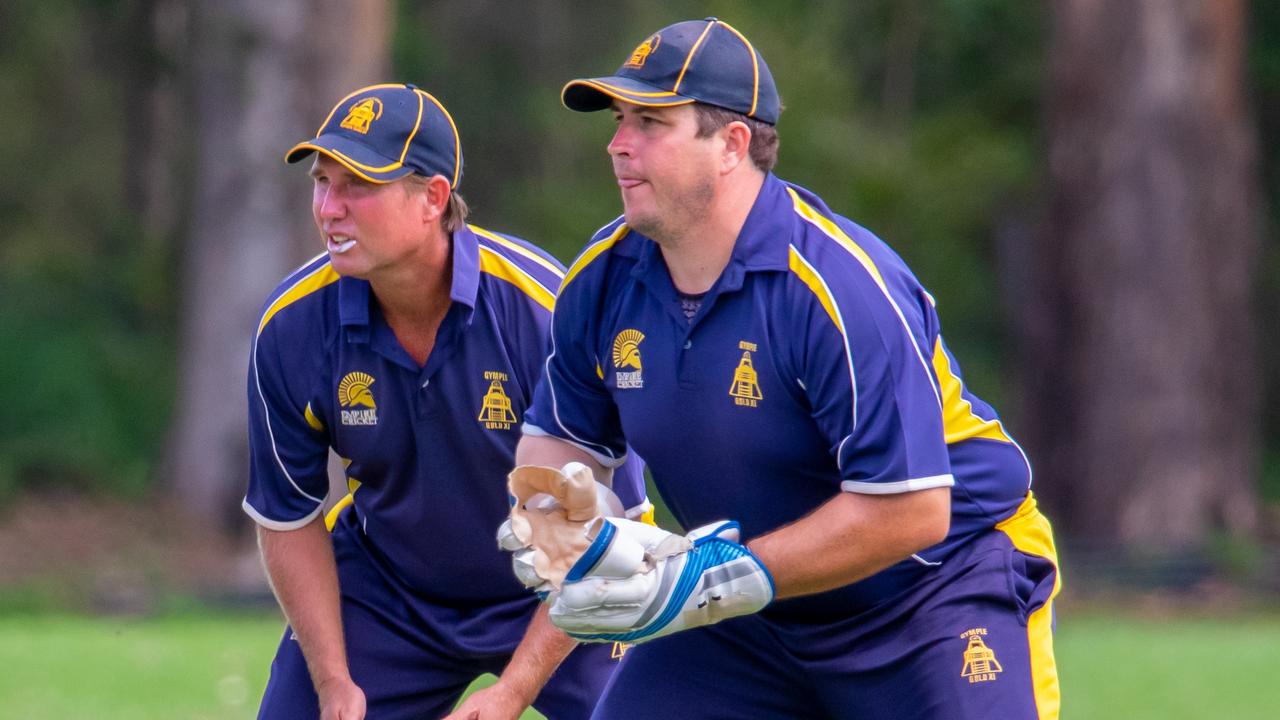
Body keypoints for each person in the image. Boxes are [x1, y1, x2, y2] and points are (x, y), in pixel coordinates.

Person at [512, 19, 1062, 720]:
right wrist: (551, 511)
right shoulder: (601, 277)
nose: (619, 143)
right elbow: (562, 439)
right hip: (752, 610)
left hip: (931, 589)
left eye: (652, 122)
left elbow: (915, 510)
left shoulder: (839, 288)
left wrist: (705, 580)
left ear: (733, 145)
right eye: (621, 121)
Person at [244, 82, 648, 720]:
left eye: (358, 186)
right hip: (388, 594)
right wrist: (332, 680)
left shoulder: (544, 310)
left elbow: (617, 530)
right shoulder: (291, 328)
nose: (329, 208)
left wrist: (513, 689)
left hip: (554, 588)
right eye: (322, 183)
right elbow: (287, 517)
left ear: (433, 198)